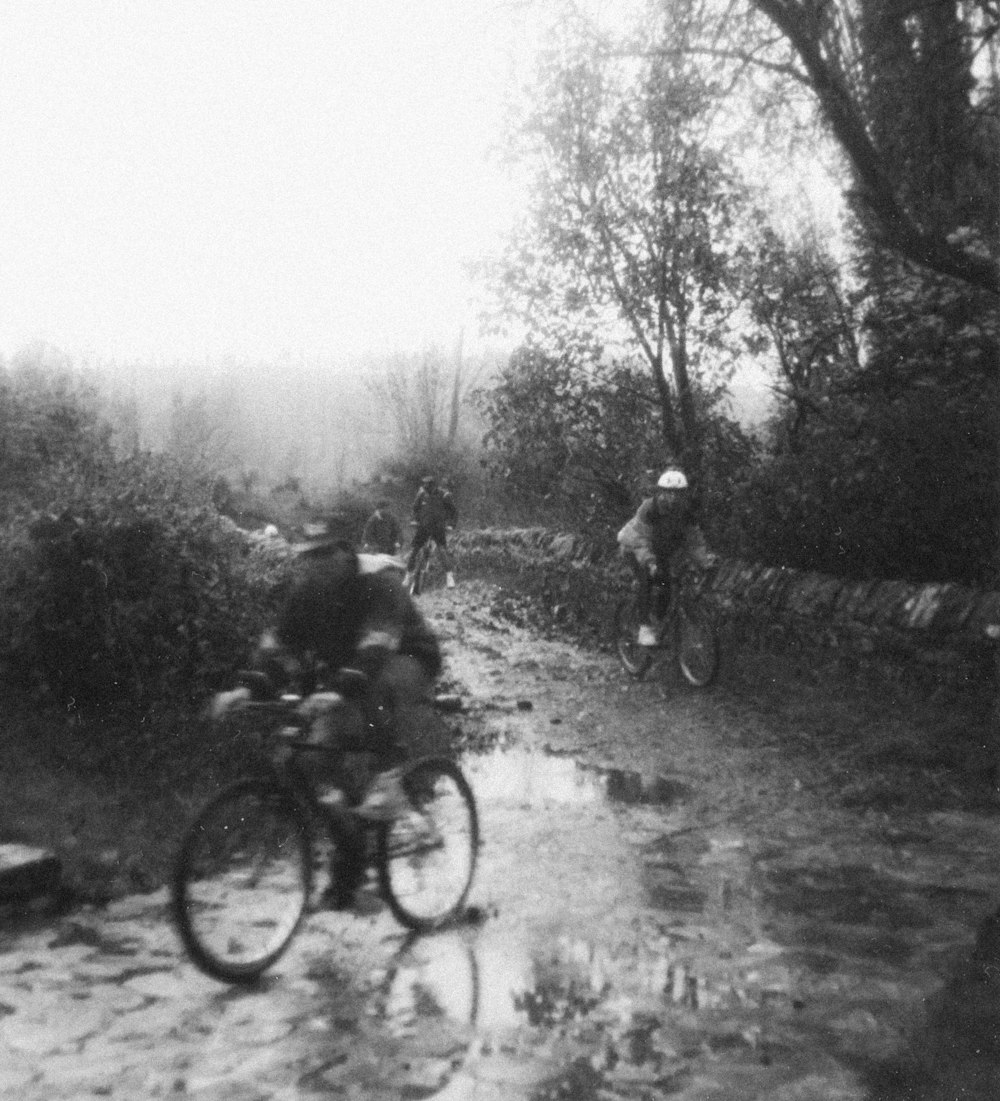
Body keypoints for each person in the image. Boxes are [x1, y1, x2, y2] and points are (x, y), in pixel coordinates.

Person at [210, 526, 446, 906]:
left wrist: (335, 691)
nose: (316, 566)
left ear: (344, 552)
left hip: (406, 657)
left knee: (371, 691)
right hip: (347, 671)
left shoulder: (378, 582)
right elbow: (279, 648)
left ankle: (388, 779)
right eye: (308, 557)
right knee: (309, 758)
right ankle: (351, 863)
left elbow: (377, 644)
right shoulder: (306, 593)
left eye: (324, 556)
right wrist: (245, 690)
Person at [617, 468, 716, 646]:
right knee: (647, 578)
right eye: (668, 493)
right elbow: (640, 539)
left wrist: (705, 561)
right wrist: (650, 562)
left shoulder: (686, 513)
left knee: (666, 587)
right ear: (661, 492)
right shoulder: (650, 508)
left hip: (660, 552)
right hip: (634, 548)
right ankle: (644, 628)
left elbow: (694, 543)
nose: (673, 498)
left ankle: (657, 624)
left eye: (678, 494)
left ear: (684, 495)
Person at [405, 475, 458, 589]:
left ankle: (449, 577)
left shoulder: (444, 495)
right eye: (425, 485)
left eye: (428, 486)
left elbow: (454, 512)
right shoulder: (421, 494)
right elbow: (415, 509)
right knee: (414, 550)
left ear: (434, 486)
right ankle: (408, 575)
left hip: (438, 528)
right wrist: (414, 520)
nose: (425, 487)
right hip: (423, 527)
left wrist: (450, 525)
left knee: (442, 551)